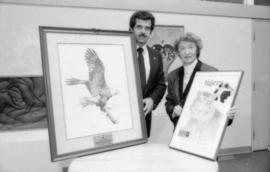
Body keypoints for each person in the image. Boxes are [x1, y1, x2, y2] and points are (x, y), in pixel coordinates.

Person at [165, 32, 236, 128]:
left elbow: (219, 104)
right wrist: (173, 110)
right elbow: (169, 101)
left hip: (204, 132)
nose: (187, 52)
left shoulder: (212, 72)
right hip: (181, 131)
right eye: (182, 48)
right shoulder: (172, 76)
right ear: (178, 53)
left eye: (191, 47)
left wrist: (228, 116)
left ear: (197, 50)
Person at [129, 11, 166, 137]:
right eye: (139, 27)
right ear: (131, 29)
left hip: (144, 118)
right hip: (122, 117)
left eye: (147, 28)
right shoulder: (120, 51)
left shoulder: (156, 55)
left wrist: (152, 99)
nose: (143, 31)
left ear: (151, 32)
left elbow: (161, 85)